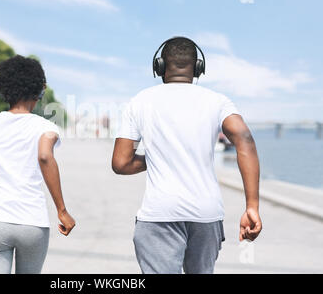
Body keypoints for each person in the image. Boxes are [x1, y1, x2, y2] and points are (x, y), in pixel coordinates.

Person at [112, 37, 262, 274]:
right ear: (198, 68)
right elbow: (244, 140)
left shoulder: (140, 101)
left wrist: (157, 156)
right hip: (206, 214)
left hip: (159, 214)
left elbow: (121, 163)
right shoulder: (218, 102)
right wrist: (252, 206)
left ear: (159, 67)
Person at [0, 55, 75, 274]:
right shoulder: (45, 128)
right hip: (32, 222)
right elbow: (45, 156)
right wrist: (62, 211)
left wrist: (0, 190)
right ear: (38, 91)